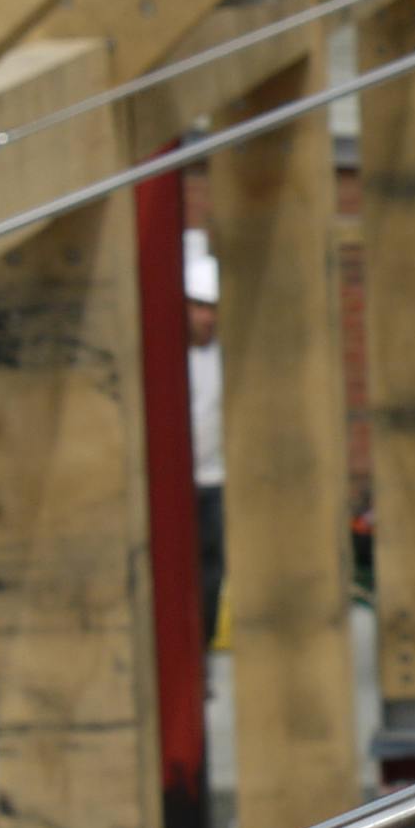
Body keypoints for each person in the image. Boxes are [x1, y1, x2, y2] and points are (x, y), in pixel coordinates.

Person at [187, 230, 225, 622]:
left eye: (213, 307)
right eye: (199, 306)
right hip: (174, 483)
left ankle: (203, 644)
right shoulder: (166, 355)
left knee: (212, 572)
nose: (207, 317)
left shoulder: (224, 358)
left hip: (214, 481)